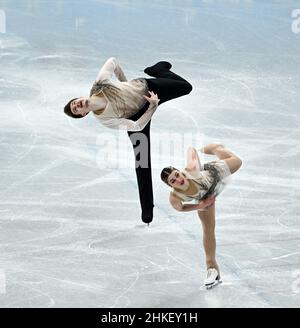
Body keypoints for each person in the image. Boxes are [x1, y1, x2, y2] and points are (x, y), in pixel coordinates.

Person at [64, 57, 192, 224]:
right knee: (142, 160)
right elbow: (137, 126)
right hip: (137, 117)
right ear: (83, 114)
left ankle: (159, 71)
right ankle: (147, 209)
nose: (78, 104)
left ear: (79, 97)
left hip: (147, 89)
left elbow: (113, 62)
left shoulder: (99, 84)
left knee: (186, 87)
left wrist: (127, 84)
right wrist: (153, 106)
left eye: (75, 102)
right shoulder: (106, 120)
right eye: (76, 109)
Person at [160, 144, 242, 288]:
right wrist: (200, 206)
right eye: (173, 181)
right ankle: (212, 270)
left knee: (237, 161)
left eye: (177, 175)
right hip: (206, 197)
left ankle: (216, 148)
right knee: (208, 229)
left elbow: (191, 149)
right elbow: (181, 208)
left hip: (214, 174)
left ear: (180, 172)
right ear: (170, 185)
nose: (178, 180)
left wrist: (197, 163)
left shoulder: (191, 169)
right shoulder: (175, 197)